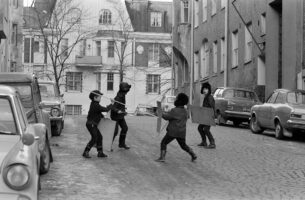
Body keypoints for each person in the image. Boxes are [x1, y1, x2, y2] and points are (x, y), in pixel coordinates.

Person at [155, 93, 197, 162]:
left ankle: (162, 157)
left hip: (172, 132)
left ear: (178, 101)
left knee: (164, 143)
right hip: (181, 132)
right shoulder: (185, 111)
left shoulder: (174, 110)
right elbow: (184, 117)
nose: (175, 100)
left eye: (176, 99)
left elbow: (166, 117)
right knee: (183, 146)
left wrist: (160, 113)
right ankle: (193, 154)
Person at [82, 90, 112, 158]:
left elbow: (98, 113)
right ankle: (86, 152)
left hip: (93, 124)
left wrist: (104, 117)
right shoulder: (95, 105)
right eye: (99, 97)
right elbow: (106, 109)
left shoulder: (95, 104)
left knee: (100, 137)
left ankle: (100, 153)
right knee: (94, 138)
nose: (100, 98)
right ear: (95, 98)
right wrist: (112, 104)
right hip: (91, 124)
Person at [111, 82, 131, 149]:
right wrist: (118, 111)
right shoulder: (118, 97)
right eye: (127, 89)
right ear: (124, 89)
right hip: (115, 116)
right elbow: (113, 107)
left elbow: (120, 106)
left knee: (125, 128)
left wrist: (123, 111)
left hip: (120, 116)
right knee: (115, 132)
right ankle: (108, 145)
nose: (128, 91)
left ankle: (121, 144)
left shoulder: (123, 95)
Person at [197, 82, 216, 149]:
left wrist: (213, 116)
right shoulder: (206, 97)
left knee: (206, 130)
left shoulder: (210, 97)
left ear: (209, 90)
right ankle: (204, 142)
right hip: (205, 116)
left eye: (206, 89)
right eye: (204, 89)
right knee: (200, 128)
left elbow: (212, 107)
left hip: (209, 116)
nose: (205, 90)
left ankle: (212, 143)